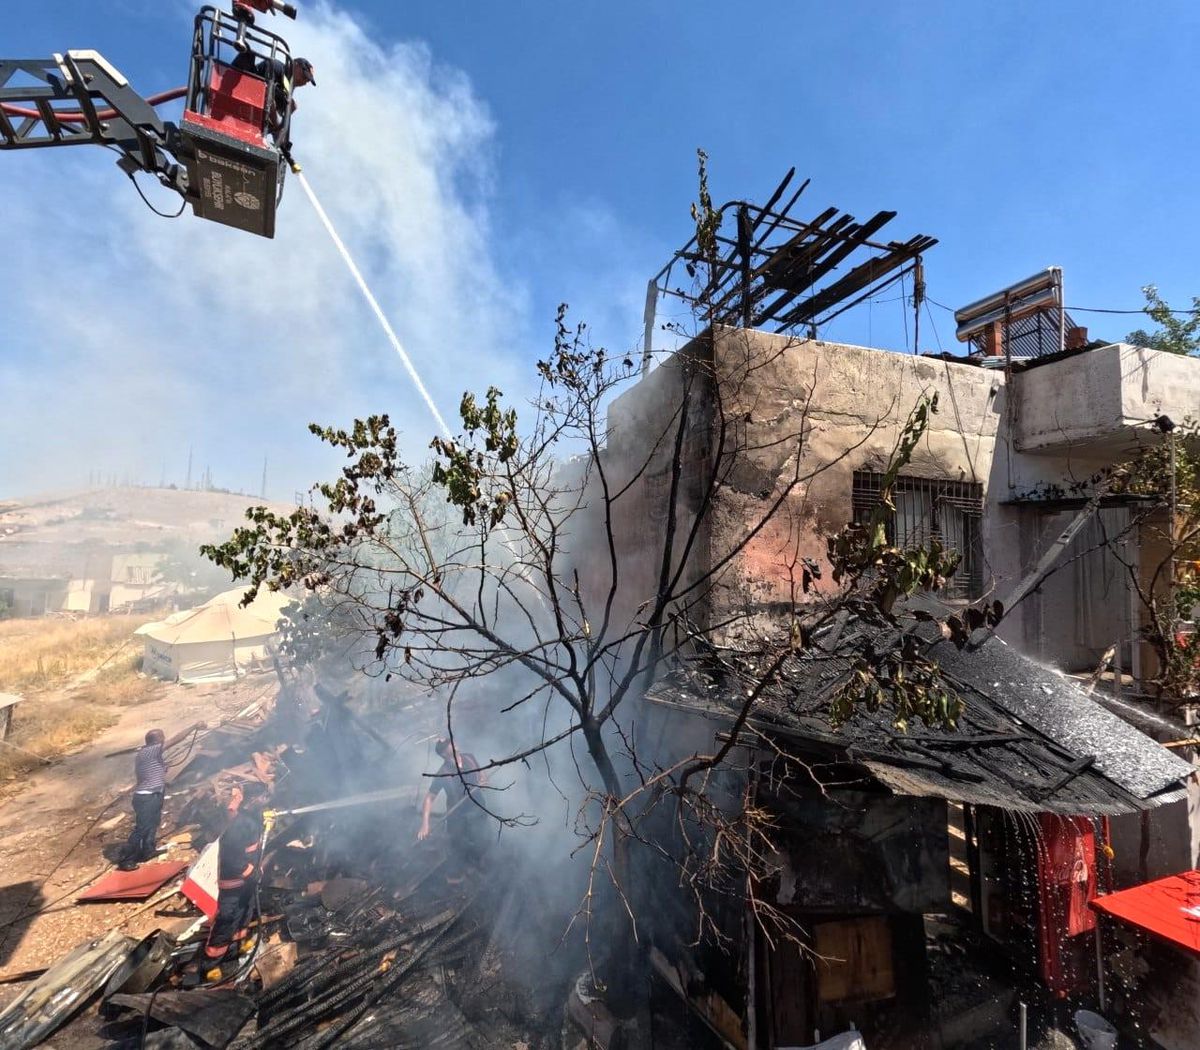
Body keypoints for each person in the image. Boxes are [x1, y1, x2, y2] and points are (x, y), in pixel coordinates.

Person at [198, 781, 270, 978]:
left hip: (247, 883)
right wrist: (250, 872)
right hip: (233, 884)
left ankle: (237, 948)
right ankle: (210, 965)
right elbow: (233, 859)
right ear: (253, 799)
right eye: (264, 797)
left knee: (246, 913)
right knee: (227, 921)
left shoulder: (254, 818)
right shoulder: (239, 825)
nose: (267, 800)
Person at [118, 727, 192, 871]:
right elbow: (176, 740)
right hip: (146, 797)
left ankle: (148, 850)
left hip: (154, 794)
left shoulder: (147, 755)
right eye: (162, 738)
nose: (164, 740)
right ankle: (127, 860)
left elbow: (151, 773)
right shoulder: (150, 751)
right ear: (156, 740)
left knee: (153, 824)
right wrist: (194, 727)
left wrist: (162, 769)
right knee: (142, 828)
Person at [417, 737, 488, 884]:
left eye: (451, 741)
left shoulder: (470, 757)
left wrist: (483, 779)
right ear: (444, 754)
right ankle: (456, 878)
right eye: (448, 744)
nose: (453, 743)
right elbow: (429, 798)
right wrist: (425, 824)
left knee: (482, 840)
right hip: (458, 816)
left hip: (478, 808)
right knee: (457, 846)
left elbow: (482, 775)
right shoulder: (442, 773)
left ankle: (477, 866)